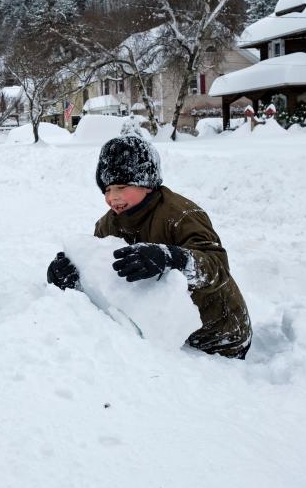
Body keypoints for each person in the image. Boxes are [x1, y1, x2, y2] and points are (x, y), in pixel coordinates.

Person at [47, 136, 252, 359]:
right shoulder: (108, 224)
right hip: (158, 333)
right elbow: (102, 274)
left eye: (122, 186)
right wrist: (72, 277)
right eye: (107, 189)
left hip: (216, 338)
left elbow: (217, 268)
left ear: (147, 183)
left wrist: (172, 258)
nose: (112, 197)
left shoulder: (181, 215)